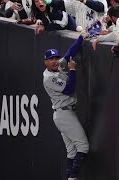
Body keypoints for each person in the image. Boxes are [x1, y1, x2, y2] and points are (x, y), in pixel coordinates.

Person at [43, 48, 89, 180]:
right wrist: (73, 70)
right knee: (83, 146)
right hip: (64, 114)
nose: (54, 61)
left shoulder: (58, 66)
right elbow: (69, 89)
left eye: (56, 58)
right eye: (51, 59)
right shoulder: (48, 78)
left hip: (64, 113)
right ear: (45, 61)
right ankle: (72, 178)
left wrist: (81, 38)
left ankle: (70, 177)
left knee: (72, 151)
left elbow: (69, 53)